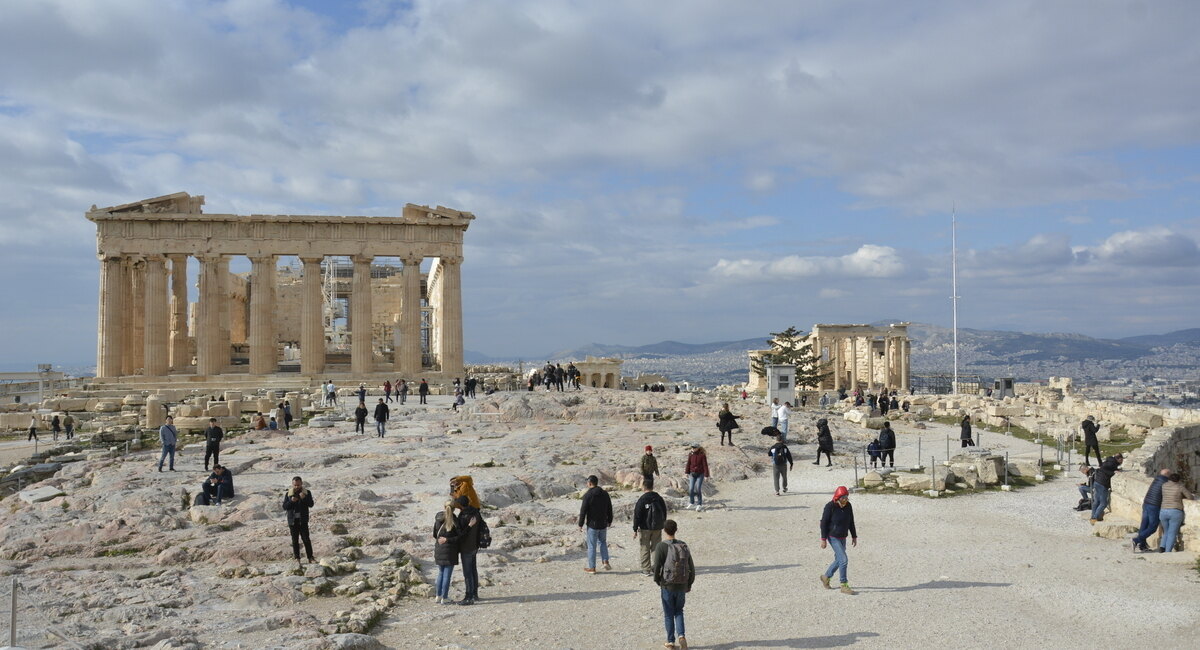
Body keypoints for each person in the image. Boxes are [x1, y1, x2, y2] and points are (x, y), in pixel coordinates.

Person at [652, 519, 695, 650]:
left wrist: (657, 580)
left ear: (664, 531)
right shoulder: (683, 545)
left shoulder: (661, 546)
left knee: (668, 613)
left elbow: (657, 566)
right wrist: (689, 583)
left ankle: (670, 641)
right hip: (682, 585)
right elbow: (691, 567)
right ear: (676, 530)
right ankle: (681, 636)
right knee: (679, 611)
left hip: (667, 585)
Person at [819, 485, 858, 595]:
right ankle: (844, 585)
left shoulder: (848, 506)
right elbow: (824, 523)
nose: (845, 500)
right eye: (843, 498)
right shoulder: (830, 506)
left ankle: (826, 577)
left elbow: (851, 522)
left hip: (843, 537)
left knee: (839, 559)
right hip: (833, 537)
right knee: (844, 559)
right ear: (837, 497)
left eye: (846, 497)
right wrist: (823, 539)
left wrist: (854, 536)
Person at [633, 476, 668, 576]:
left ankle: (646, 569)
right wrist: (663, 524)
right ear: (652, 487)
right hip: (657, 527)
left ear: (644, 487)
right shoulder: (658, 498)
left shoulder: (642, 499)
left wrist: (635, 529)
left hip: (645, 528)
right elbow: (664, 512)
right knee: (656, 548)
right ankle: (657, 567)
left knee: (644, 547)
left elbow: (637, 515)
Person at [578, 475, 614, 573]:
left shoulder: (588, 495)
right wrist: (610, 520)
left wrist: (580, 524)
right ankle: (605, 561)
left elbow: (583, 511)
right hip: (603, 523)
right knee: (602, 542)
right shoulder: (605, 494)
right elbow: (609, 508)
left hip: (592, 524)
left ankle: (592, 567)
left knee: (592, 546)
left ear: (589, 483)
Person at [1131, 469, 1171, 552]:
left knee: (1144, 525)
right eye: (1169, 474)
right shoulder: (1166, 483)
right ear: (1167, 474)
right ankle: (1136, 540)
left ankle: (1142, 546)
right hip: (1154, 506)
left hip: (1146, 503)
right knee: (1152, 527)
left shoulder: (1156, 479)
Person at [454, 494, 483, 605]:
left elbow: (462, 534)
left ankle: (469, 597)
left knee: (467, 573)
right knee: (473, 570)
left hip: (466, 547)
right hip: (474, 546)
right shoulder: (476, 512)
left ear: (460, 505)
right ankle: (475, 594)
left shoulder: (463, 516)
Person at [283, 476, 315, 567]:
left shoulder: (307, 493)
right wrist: (292, 501)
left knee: (306, 539)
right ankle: (297, 558)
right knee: (295, 540)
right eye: (295, 485)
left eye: (298, 485)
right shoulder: (288, 494)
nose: (297, 487)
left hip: (303, 520)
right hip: (292, 521)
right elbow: (285, 507)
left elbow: (311, 504)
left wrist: (304, 498)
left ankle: (310, 557)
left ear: (301, 484)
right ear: (292, 484)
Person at [433, 500, 460, 604]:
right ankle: (445, 597)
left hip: (439, 549)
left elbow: (435, 534)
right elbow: (458, 537)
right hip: (450, 551)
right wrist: (448, 540)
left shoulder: (438, 519)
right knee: (447, 575)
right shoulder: (455, 520)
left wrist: (442, 539)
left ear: (444, 507)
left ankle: (438, 596)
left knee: (440, 573)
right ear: (454, 509)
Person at [1158, 472, 1193, 552]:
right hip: (1175, 512)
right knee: (1172, 533)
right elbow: (1190, 497)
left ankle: (1162, 547)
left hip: (1163, 511)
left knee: (1166, 531)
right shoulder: (1180, 487)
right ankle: (1167, 552)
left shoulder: (1164, 486)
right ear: (1178, 480)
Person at [1090, 453, 1123, 523]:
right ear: (1119, 459)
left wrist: (1116, 469)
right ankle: (1094, 518)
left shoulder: (1110, 461)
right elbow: (1103, 468)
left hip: (1097, 482)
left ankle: (1093, 516)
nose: (1122, 462)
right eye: (1121, 460)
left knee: (1096, 501)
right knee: (1103, 503)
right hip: (1102, 484)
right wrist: (1113, 472)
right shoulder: (1112, 463)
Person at [685, 444, 710, 511]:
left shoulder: (702, 455)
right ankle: (692, 502)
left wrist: (706, 475)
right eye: (692, 447)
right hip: (692, 474)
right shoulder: (690, 454)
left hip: (700, 474)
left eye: (694, 448)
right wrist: (686, 472)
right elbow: (688, 463)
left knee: (698, 488)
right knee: (691, 489)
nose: (693, 449)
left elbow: (705, 465)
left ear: (698, 448)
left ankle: (699, 504)